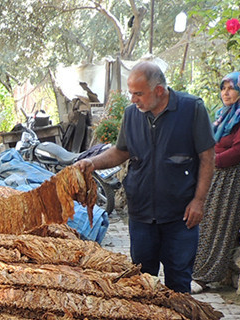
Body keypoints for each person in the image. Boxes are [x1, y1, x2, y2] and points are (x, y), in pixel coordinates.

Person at [77, 61, 215, 294]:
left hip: (180, 216)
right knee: (141, 282)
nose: (133, 99)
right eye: (131, 93)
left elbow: (208, 158)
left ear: (159, 90)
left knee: (179, 282)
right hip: (141, 215)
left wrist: (199, 201)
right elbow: (121, 151)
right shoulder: (132, 115)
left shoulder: (192, 109)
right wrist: (93, 163)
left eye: (138, 94)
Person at [193, 70, 240, 290]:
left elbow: (239, 151)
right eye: (223, 88)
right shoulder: (223, 114)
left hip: (233, 175)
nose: (226, 92)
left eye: (231, 88)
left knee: (219, 223)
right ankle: (193, 269)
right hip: (217, 171)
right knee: (203, 221)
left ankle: (204, 276)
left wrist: (208, 162)